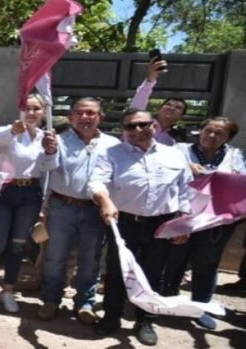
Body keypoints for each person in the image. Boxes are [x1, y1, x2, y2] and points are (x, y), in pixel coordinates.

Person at [88, 108, 193, 346]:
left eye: (143, 124)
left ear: (153, 126)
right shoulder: (111, 153)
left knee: (154, 273)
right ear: (123, 130)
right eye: (130, 126)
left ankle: (145, 320)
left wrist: (183, 224)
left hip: (162, 225)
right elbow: (97, 181)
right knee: (117, 273)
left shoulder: (174, 154)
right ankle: (111, 317)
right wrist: (104, 200)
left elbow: (186, 191)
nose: (137, 130)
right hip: (124, 223)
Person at [0, 94, 58, 314]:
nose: (31, 112)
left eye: (36, 108)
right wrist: (13, 130)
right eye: (26, 108)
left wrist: (51, 150)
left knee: (18, 245)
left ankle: (7, 290)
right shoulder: (9, 131)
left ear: (42, 112)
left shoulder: (45, 136)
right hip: (5, 191)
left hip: (30, 193)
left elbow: (49, 166)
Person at [37, 98, 121, 324]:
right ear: (70, 117)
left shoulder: (113, 144)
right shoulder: (58, 141)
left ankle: (85, 302)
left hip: (95, 211)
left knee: (90, 260)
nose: (84, 117)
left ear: (100, 117)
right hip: (62, 207)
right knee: (55, 257)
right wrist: (48, 152)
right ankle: (51, 299)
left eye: (90, 113)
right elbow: (46, 169)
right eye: (79, 113)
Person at [163, 117, 245, 329]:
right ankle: (169, 302)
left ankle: (201, 307)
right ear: (200, 130)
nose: (212, 136)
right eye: (208, 130)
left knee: (206, 265)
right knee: (173, 261)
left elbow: (241, 183)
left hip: (215, 222)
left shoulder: (234, 156)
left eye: (219, 133)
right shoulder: (180, 150)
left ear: (228, 138)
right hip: (182, 216)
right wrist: (187, 167)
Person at [130, 57, 188, 145]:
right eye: (168, 104)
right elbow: (137, 104)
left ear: (180, 117)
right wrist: (150, 79)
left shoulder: (176, 137)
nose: (172, 108)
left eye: (178, 108)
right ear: (159, 109)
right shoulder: (141, 122)